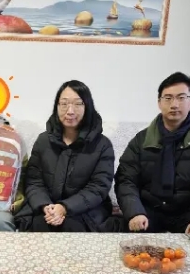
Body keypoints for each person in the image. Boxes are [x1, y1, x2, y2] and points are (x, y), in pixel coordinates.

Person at [113, 72, 190, 248]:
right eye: (168, 98)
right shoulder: (141, 140)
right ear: (159, 103)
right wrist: (135, 212)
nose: (174, 104)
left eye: (181, 98)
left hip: (189, 212)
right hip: (149, 210)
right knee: (128, 244)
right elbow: (125, 179)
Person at [14, 80, 115, 232]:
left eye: (78, 104)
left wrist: (65, 207)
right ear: (57, 106)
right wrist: (45, 206)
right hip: (46, 208)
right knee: (40, 225)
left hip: (86, 211)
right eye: (64, 104)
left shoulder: (102, 145)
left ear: (87, 107)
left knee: (71, 227)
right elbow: (34, 181)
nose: (70, 111)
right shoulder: (43, 141)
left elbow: (98, 188)